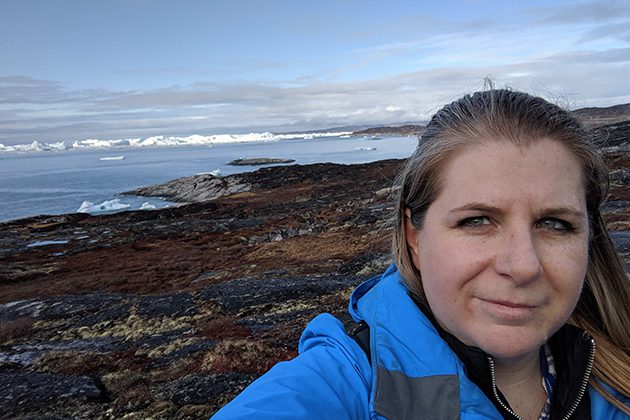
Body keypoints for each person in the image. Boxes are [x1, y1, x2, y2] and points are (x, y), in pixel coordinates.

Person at [212, 89, 630, 419]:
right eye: (477, 221)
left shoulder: (617, 371)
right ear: (415, 235)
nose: (522, 265)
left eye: (555, 224)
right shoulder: (346, 385)